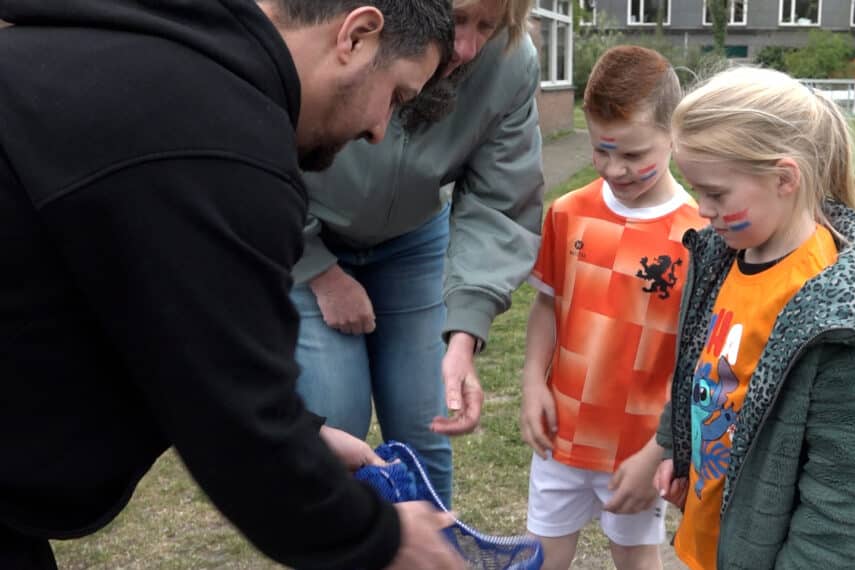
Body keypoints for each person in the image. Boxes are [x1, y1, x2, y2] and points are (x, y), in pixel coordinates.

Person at [0, 1, 468, 569]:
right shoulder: (220, 144)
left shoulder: (148, 58)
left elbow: (181, 346)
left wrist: (305, 434)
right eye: (395, 97)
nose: (377, 131)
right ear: (358, 36)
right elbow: (240, 430)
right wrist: (385, 540)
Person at [652, 67, 855, 569]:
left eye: (716, 194)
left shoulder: (842, 319)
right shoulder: (723, 259)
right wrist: (679, 448)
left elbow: (852, 498)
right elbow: (707, 369)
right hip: (718, 540)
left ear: (784, 178)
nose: (701, 209)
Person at [291, 0, 542, 509]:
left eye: (487, 27)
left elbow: (499, 199)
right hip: (297, 235)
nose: (467, 47)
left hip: (411, 242)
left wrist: (465, 329)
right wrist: (318, 269)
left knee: (426, 427)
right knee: (334, 419)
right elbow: (258, 152)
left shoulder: (512, 63)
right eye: (457, 19)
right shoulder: (333, 32)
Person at [519, 45, 704, 570]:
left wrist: (665, 448)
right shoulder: (568, 213)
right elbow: (546, 307)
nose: (615, 169)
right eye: (602, 151)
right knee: (541, 559)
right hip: (562, 436)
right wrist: (534, 383)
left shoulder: (699, 236)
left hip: (640, 448)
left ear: (675, 132)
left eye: (634, 155)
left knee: (637, 556)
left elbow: (699, 358)